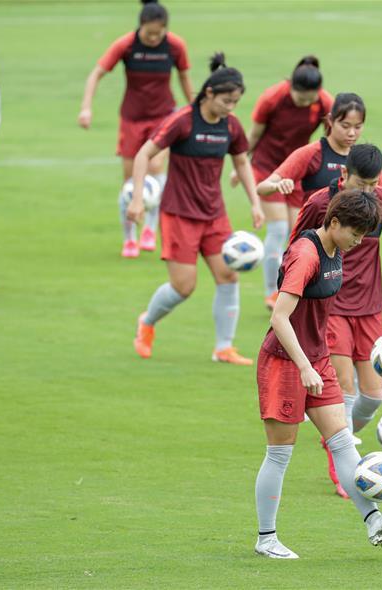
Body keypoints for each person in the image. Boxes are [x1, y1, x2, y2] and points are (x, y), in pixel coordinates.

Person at [254, 188, 382, 559]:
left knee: (341, 441)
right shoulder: (305, 255)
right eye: (355, 233)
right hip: (284, 362)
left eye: (364, 235)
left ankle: (374, 519)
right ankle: (266, 538)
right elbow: (279, 317)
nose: (358, 242)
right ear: (334, 221)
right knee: (279, 454)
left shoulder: (337, 250)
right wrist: (304, 366)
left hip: (316, 359)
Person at [291, 144, 382, 498]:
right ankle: (344, 467)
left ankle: (334, 436)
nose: (366, 191)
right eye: (360, 183)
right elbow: (294, 248)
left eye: (372, 184)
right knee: (345, 387)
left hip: (370, 306)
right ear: (343, 174)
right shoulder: (322, 204)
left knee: (374, 393)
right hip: (330, 304)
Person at [128, 53, 264, 365]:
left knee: (229, 276)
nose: (232, 108)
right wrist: (137, 198)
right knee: (183, 286)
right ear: (210, 94)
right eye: (227, 101)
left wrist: (254, 202)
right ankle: (147, 322)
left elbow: (242, 162)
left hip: (214, 213)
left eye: (236, 102)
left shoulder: (231, 126)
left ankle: (223, 348)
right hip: (179, 214)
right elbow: (143, 155)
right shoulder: (182, 121)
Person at [78, 0, 192, 258]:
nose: (153, 38)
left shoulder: (175, 46)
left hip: (164, 117)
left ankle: (150, 230)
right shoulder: (126, 45)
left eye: (158, 33)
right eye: (148, 33)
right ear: (139, 27)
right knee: (130, 180)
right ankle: (129, 238)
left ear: (165, 29)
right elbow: (96, 74)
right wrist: (86, 107)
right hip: (131, 118)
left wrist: (192, 110)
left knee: (154, 169)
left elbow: (185, 78)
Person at [237, 56, 333, 310]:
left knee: (297, 234)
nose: (305, 103)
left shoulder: (324, 102)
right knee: (278, 229)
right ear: (291, 86)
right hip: (268, 169)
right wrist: (242, 165)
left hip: (297, 171)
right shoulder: (273, 98)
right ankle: (272, 292)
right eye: (300, 98)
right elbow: (254, 135)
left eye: (309, 99)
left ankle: (293, 287)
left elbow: (330, 139)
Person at [255, 92, 366, 310]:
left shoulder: (361, 159)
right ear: (330, 120)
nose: (352, 133)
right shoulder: (311, 153)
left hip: (347, 252)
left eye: (358, 126)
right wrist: (278, 185)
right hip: (313, 253)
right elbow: (262, 187)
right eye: (345, 125)